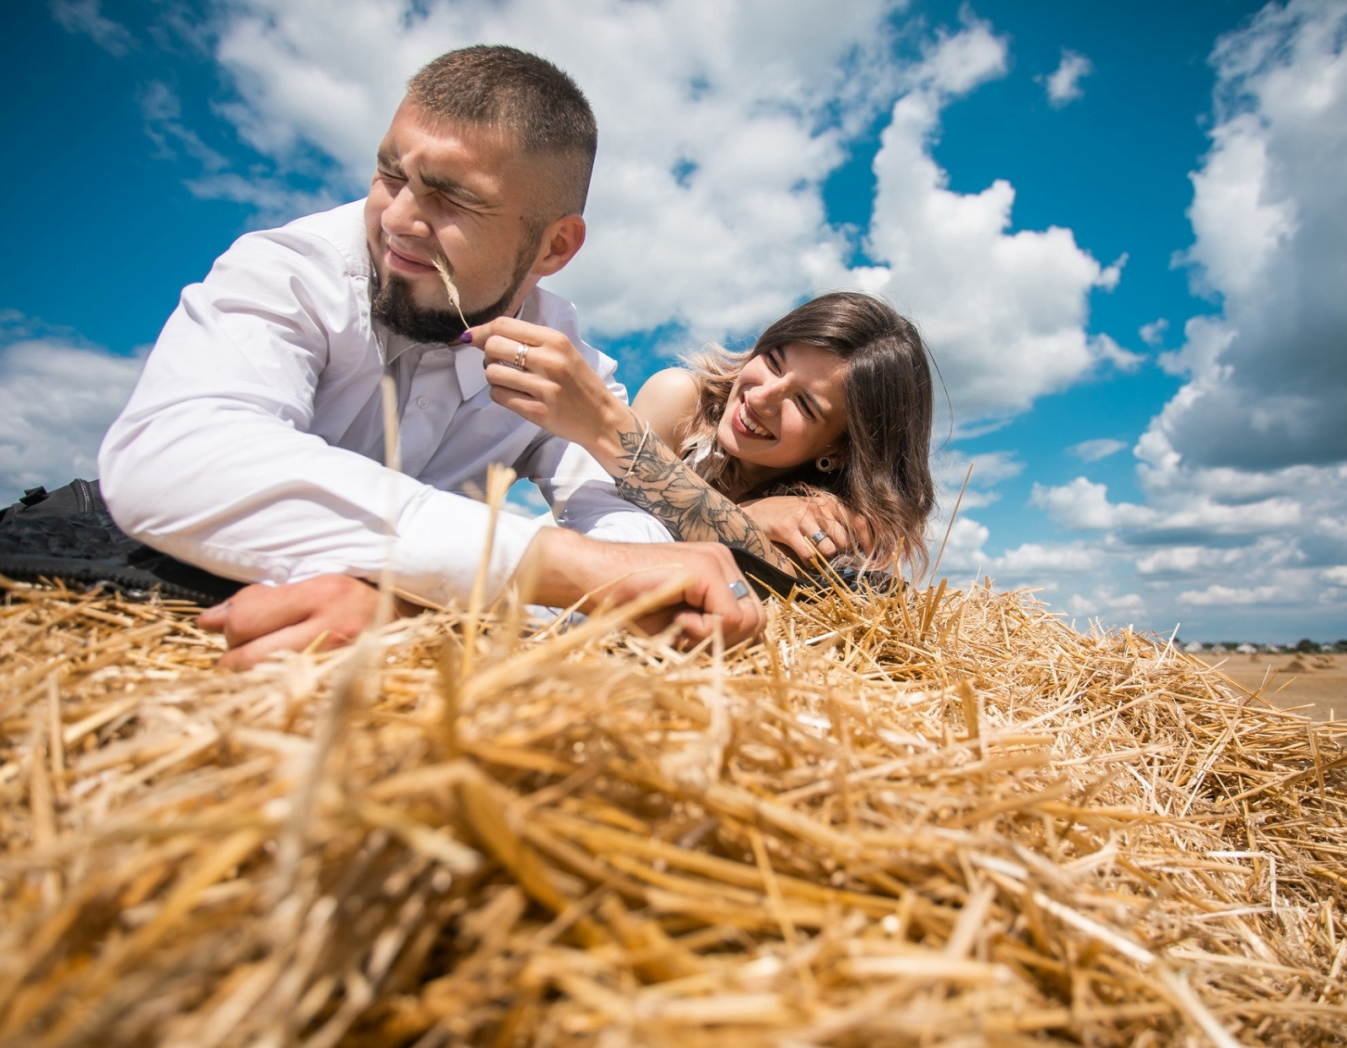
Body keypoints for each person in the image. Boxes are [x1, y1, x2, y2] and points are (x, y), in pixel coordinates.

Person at [97, 45, 763, 668]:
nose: (396, 219)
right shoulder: (291, 269)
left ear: (554, 249)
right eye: (391, 173)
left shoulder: (566, 367)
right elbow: (173, 456)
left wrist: (410, 604)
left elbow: (635, 550)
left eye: (453, 198)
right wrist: (540, 566)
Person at [463, 291, 937, 578]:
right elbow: (622, 543)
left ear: (841, 445)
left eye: (804, 403)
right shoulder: (678, 400)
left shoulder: (839, 511)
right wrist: (753, 518)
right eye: (772, 361)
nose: (762, 397)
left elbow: (796, 593)